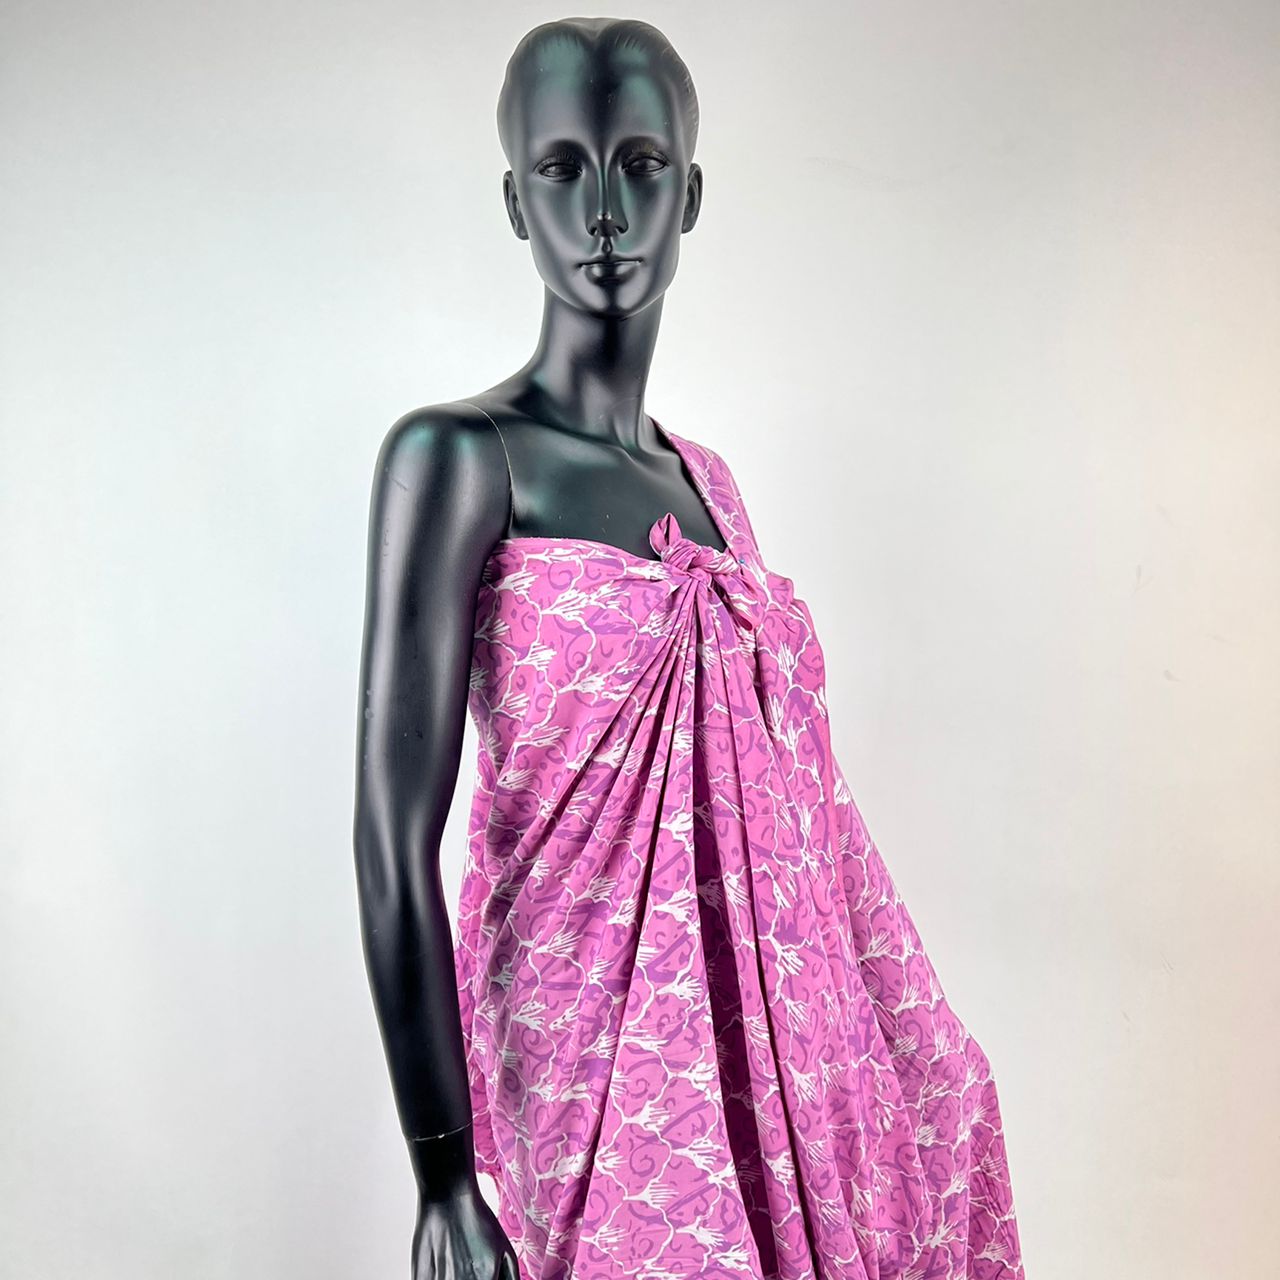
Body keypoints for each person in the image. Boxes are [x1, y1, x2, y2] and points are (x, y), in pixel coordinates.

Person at [353, 17, 1024, 1280]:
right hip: (582, 1037)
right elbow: (391, 837)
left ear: (689, 196)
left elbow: (790, 816)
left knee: (939, 1115)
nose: (603, 211)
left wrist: (899, 1042)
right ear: (514, 203)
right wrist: (441, 1175)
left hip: (770, 1029)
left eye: (641, 166)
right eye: (561, 169)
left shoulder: (710, 488)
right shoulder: (453, 457)